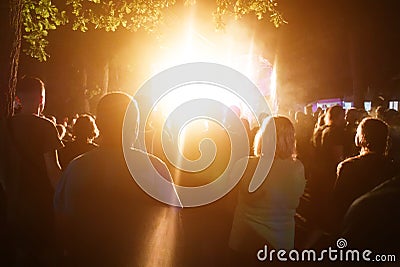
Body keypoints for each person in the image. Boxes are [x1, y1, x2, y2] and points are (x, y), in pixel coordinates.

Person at [54, 92, 182, 266]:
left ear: (98, 124)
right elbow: (174, 225)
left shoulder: (76, 168)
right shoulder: (155, 169)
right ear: (135, 126)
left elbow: (62, 222)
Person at [0, 76, 63, 266]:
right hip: (39, 203)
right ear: (41, 100)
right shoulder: (46, 126)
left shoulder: (6, 125)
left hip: (11, 202)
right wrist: (63, 198)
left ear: (18, 99)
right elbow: (53, 171)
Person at [228, 116, 306, 265]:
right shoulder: (297, 168)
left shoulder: (244, 164)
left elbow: (229, 202)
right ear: (290, 139)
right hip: (279, 244)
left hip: (243, 241)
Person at [332, 118, 396, 231]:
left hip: (355, 228)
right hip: (386, 229)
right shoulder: (394, 167)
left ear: (361, 138)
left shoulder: (347, 167)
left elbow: (337, 204)